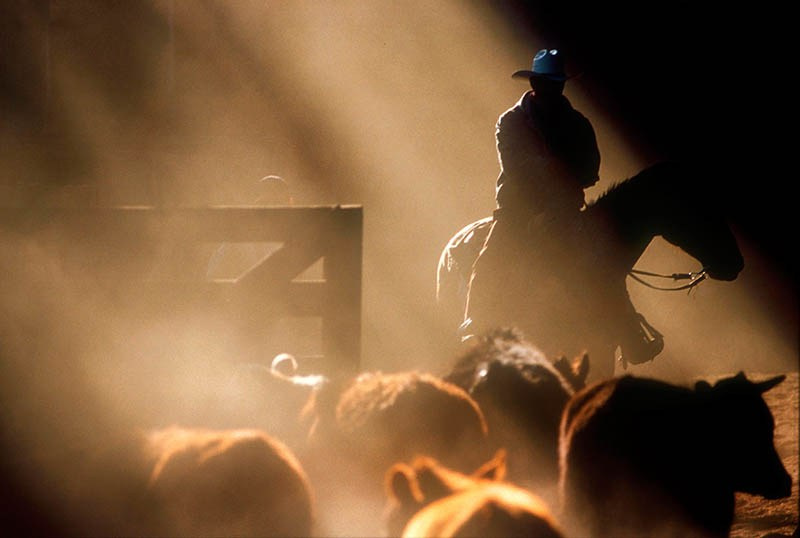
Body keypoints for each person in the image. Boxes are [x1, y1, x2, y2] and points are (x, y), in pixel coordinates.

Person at [463, 49, 661, 378]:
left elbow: (590, 167)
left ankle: (630, 335)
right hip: (520, 209)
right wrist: (554, 181)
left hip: (566, 209)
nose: (555, 89)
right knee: (492, 258)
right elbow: (517, 167)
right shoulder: (511, 122)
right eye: (549, 83)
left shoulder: (578, 123)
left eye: (558, 84)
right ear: (536, 83)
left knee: (603, 268)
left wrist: (563, 184)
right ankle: (475, 323)